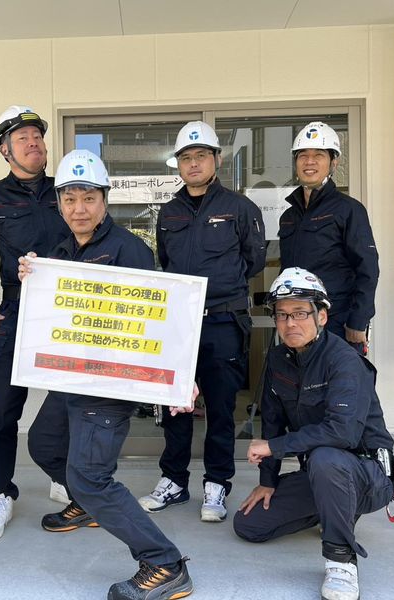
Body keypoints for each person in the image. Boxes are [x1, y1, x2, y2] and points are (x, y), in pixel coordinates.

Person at [21, 149, 194, 600]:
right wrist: (34, 280)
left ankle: (165, 562)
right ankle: (86, 505)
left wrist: (177, 374)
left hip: (109, 383)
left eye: (88, 198)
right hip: (71, 377)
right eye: (70, 199)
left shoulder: (128, 250)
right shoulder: (60, 251)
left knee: (89, 476)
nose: (78, 208)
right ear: (59, 203)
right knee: (43, 444)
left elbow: (156, 318)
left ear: (104, 200)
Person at [233, 267, 394, 600]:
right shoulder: (278, 359)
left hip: (368, 475)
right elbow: (273, 421)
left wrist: (273, 447)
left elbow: (343, 433)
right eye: (282, 315)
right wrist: (268, 481)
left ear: (322, 316)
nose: (290, 323)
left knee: (325, 456)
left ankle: (341, 561)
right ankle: (334, 508)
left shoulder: (344, 360)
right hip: (323, 475)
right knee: (249, 525)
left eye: (300, 313)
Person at [139, 121, 266, 522]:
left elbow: (254, 260)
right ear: (178, 164)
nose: (193, 163)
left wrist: (221, 287)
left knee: (221, 408)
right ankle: (174, 481)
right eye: (186, 158)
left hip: (223, 321)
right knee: (175, 406)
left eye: (201, 156)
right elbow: (166, 260)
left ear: (217, 160)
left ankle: (217, 484)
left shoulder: (239, 208)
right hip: (180, 323)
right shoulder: (169, 212)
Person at [0, 105, 70, 542]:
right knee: (3, 410)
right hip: (16, 310)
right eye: (23, 138)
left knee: (71, 402)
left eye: (38, 137)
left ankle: (65, 478)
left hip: (67, 312)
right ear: (4, 149)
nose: (34, 144)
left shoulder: (66, 190)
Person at [278, 121, 379, 354]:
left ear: (334, 162)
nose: (309, 161)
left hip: (338, 321)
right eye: (303, 155)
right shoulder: (289, 216)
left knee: (340, 377)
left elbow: (368, 269)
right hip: (297, 322)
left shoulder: (349, 210)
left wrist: (358, 321)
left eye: (319, 155)